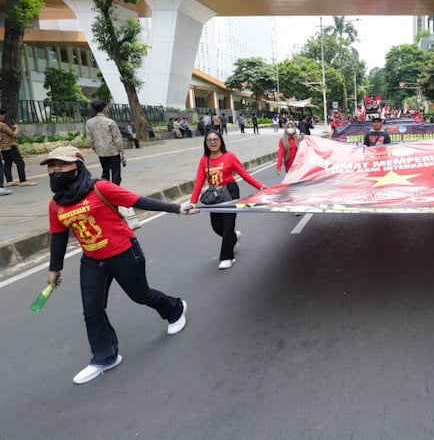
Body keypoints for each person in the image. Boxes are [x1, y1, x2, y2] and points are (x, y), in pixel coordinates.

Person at [41, 145, 193, 385]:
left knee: (140, 295)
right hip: (92, 260)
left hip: (124, 252)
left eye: (61, 164)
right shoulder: (56, 204)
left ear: (77, 166)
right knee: (92, 310)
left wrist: (177, 208)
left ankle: (174, 309)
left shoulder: (100, 188)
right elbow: (58, 236)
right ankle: (105, 357)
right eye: (51, 166)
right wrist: (54, 268)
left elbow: (137, 200)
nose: (56, 169)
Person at [187, 131, 268, 270]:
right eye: (209, 140)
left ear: (221, 141)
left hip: (230, 192)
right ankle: (234, 237)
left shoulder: (229, 156)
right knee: (216, 226)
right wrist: (192, 201)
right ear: (206, 143)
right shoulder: (204, 160)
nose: (213, 142)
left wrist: (260, 186)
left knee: (228, 225)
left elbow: (244, 173)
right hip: (215, 195)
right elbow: (200, 181)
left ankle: (227, 257)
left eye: (215, 139)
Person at [85, 100, 125, 185]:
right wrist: (122, 152)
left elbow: (89, 138)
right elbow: (117, 139)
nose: (108, 108)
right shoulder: (110, 122)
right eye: (106, 107)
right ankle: (115, 192)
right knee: (116, 173)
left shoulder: (89, 122)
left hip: (101, 152)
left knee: (105, 171)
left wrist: (94, 147)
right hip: (113, 151)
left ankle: (105, 190)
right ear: (104, 108)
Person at [0, 108, 36, 186]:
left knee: (7, 163)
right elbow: (14, 135)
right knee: (20, 163)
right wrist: (17, 128)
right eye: (3, 116)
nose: (4, 117)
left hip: (3, 147)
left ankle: (10, 181)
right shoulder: (2, 125)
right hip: (10, 146)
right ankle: (23, 181)